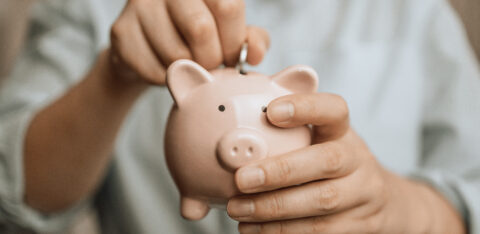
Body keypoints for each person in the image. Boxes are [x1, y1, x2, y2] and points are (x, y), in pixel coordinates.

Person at [0, 0, 479, 233]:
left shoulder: (415, 11)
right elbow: (14, 197)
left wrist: (397, 209)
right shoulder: (90, 5)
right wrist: (113, 77)